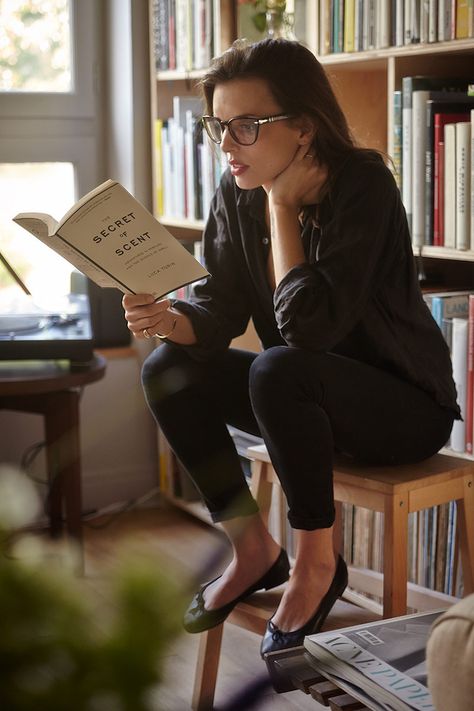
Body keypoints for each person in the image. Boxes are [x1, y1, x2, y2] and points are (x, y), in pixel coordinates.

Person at [122, 38, 459, 656]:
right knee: (169, 367)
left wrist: (279, 205)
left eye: (245, 127)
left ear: (303, 128)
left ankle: (316, 565)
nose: (226, 145)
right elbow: (220, 310)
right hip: (299, 399)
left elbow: (309, 331)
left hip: (403, 411)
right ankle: (254, 549)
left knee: (280, 367)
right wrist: (167, 319)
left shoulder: (363, 186)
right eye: (218, 127)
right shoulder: (233, 190)